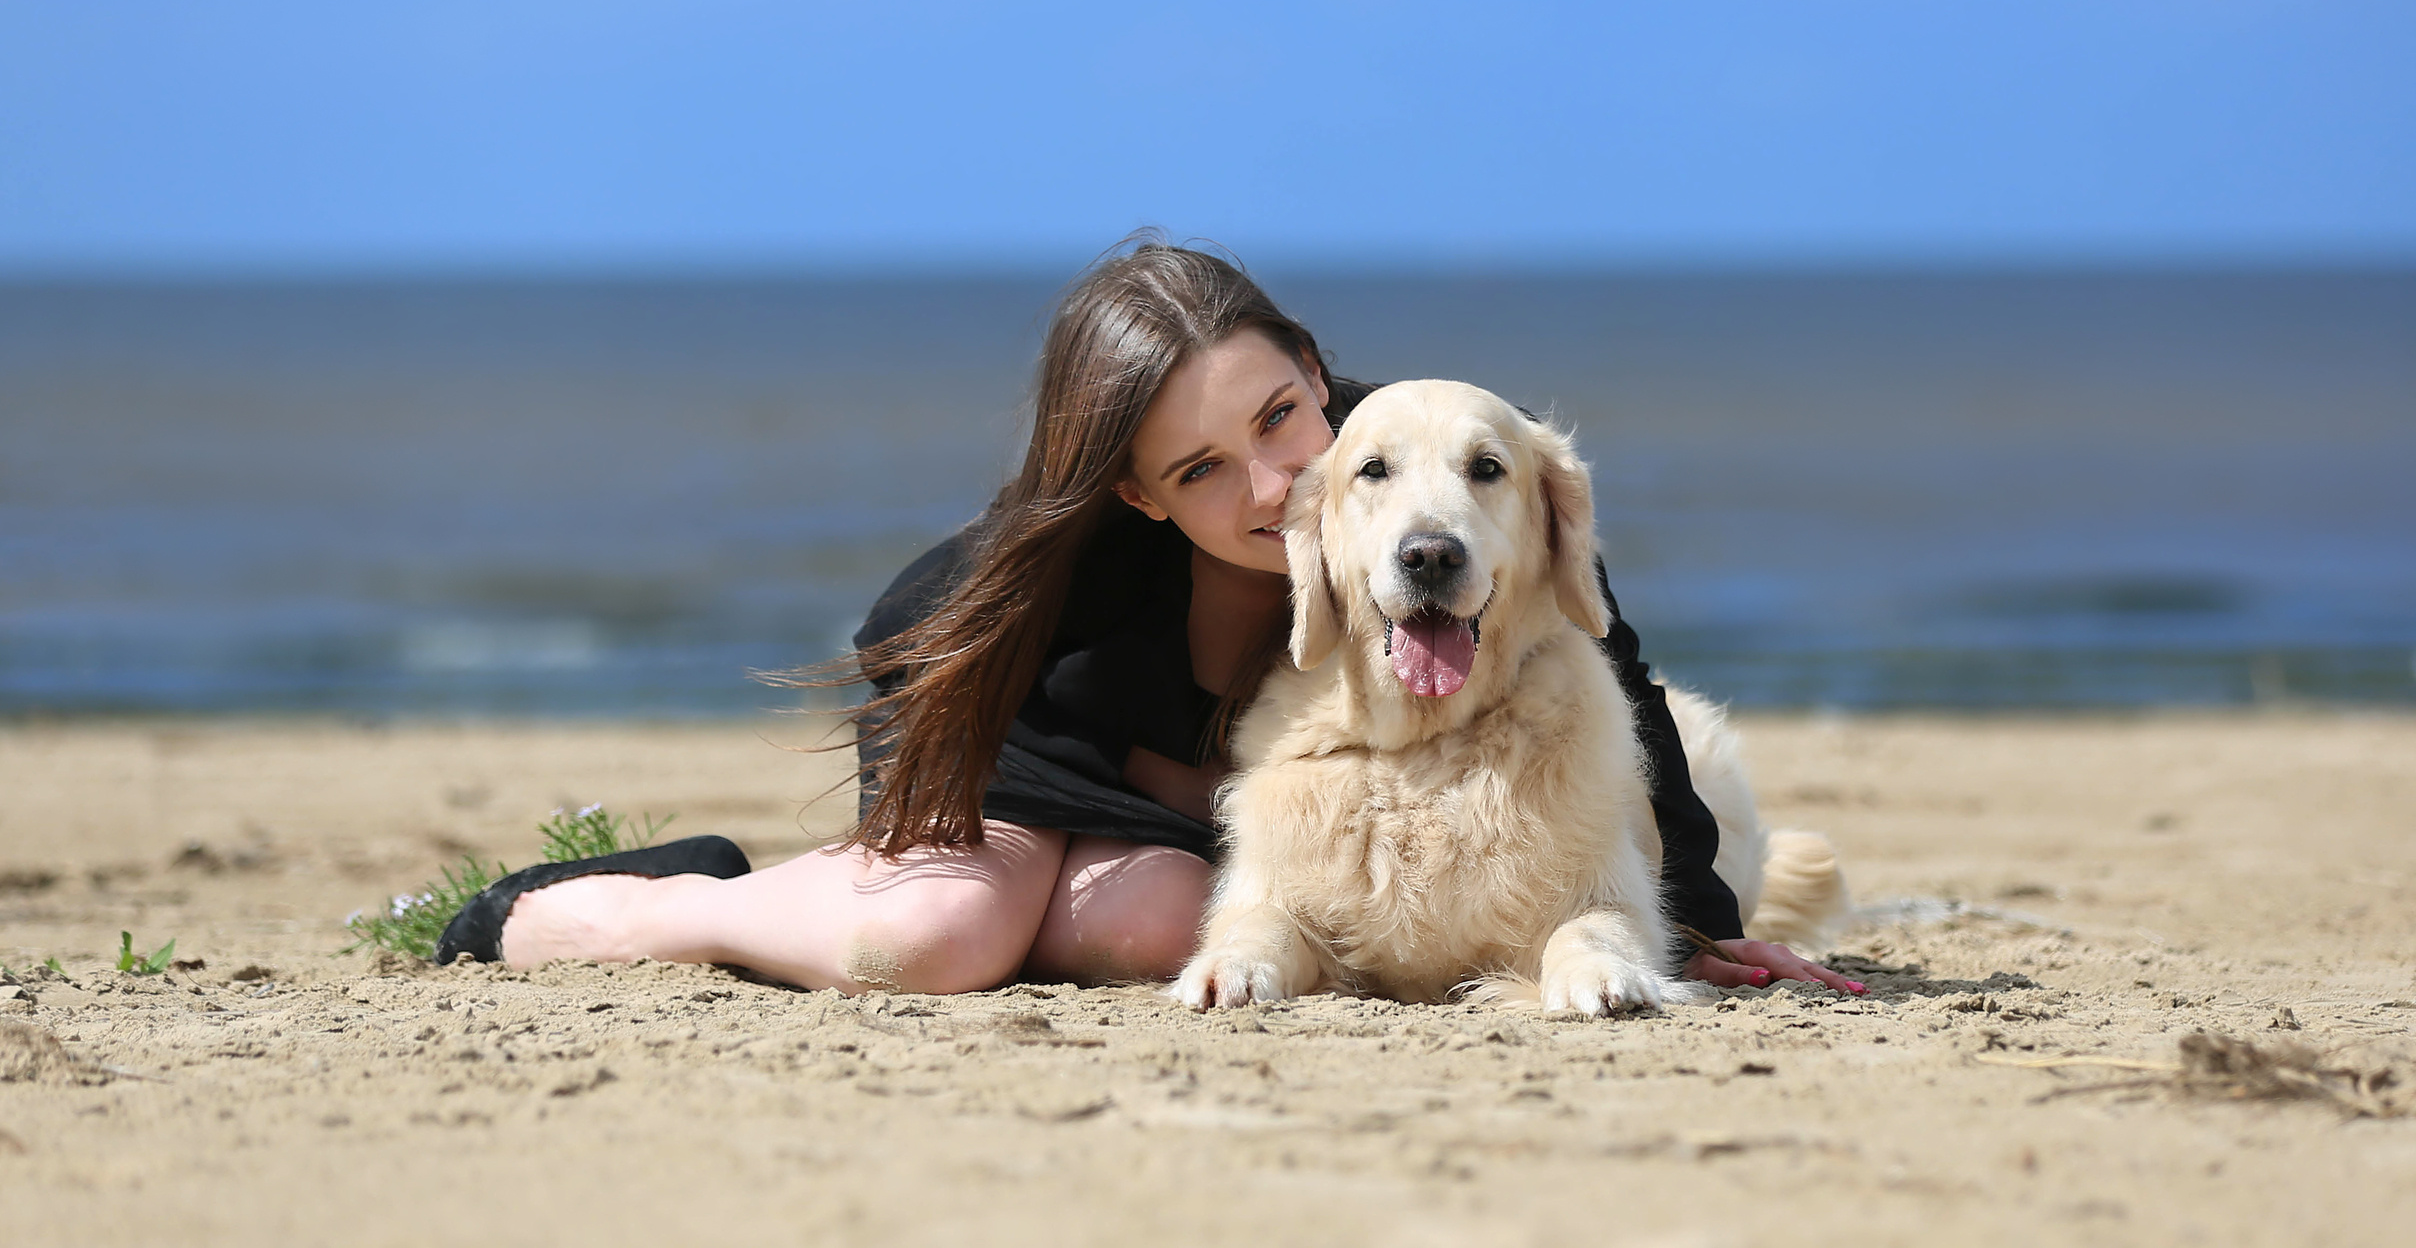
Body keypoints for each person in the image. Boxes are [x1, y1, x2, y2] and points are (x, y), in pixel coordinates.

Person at [447, 239, 1863, 998]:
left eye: (1280, 415)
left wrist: (1696, 901)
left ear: (1314, 368)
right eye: (1200, 468)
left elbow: (1603, 637)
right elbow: (1034, 714)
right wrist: (1152, 785)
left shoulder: (1401, 457)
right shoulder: (1081, 590)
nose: (1272, 482)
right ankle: (650, 906)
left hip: (1173, 803)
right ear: (1135, 490)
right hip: (1019, 730)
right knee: (946, 936)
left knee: (1167, 913)